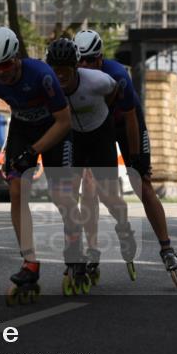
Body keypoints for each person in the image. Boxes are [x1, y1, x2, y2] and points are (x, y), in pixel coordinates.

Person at [0, 27, 80, 304]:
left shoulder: (42, 75)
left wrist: (35, 152)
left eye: (6, 64)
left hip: (54, 130)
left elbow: (64, 121)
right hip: (22, 129)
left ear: (16, 58)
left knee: (61, 195)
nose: (2, 72)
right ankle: (30, 263)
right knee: (17, 192)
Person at [73, 29, 177, 278]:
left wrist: (134, 159)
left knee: (141, 182)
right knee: (91, 186)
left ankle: (166, 247)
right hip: (99, 127)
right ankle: (93, 249)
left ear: (101, 58)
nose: (86, 65)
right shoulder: (73, 77)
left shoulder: (118, 75)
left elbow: (131, 119)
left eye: (92, 60)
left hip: (125, 124)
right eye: (81, 60)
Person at [45, 38, 133, 288]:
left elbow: (115, 90)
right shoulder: (48, 84)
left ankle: (124, 225)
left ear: (76, 69)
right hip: (73, 136)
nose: (60, 76)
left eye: (66, 70)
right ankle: (76, 254)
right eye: (56, 70)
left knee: (106, 196)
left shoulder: (97, 81)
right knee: (68, 192)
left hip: (100, 133)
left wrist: (103, 108)